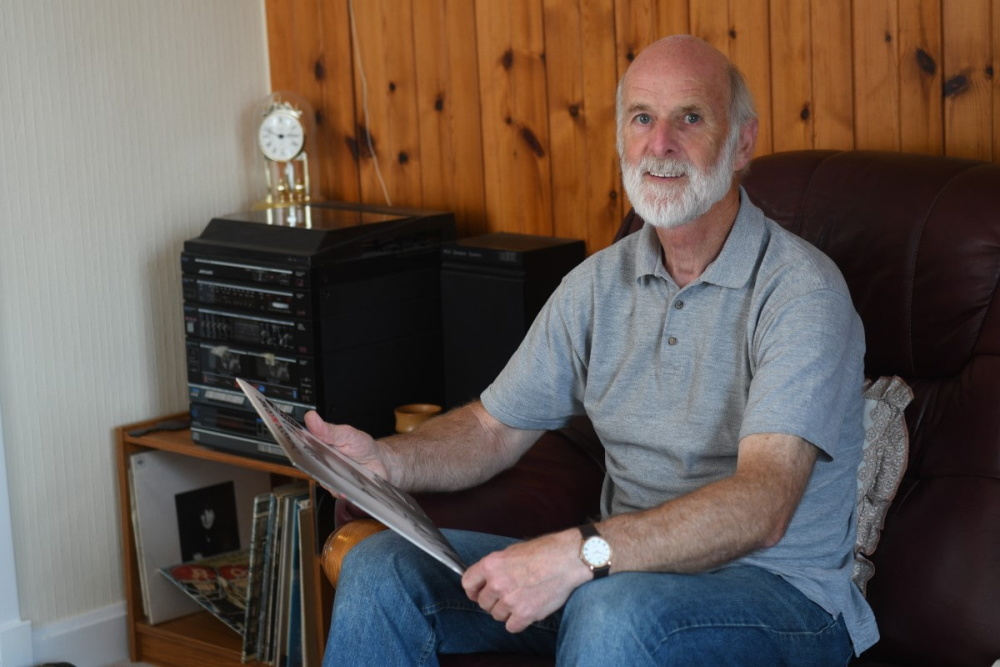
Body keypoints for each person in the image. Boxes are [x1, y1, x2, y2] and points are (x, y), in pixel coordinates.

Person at [306, 34, 878, 666]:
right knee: (382, 569)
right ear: (621, 139)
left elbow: (763, 504)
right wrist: (384, 463)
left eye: (690, 117)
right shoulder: (597, 285)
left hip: (780, 603)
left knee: (612, 611)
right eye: (641, 118)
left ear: (742, 141)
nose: (660, 144)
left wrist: (578, 556)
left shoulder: (801, 292)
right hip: (618, 579)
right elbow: (494, 429)